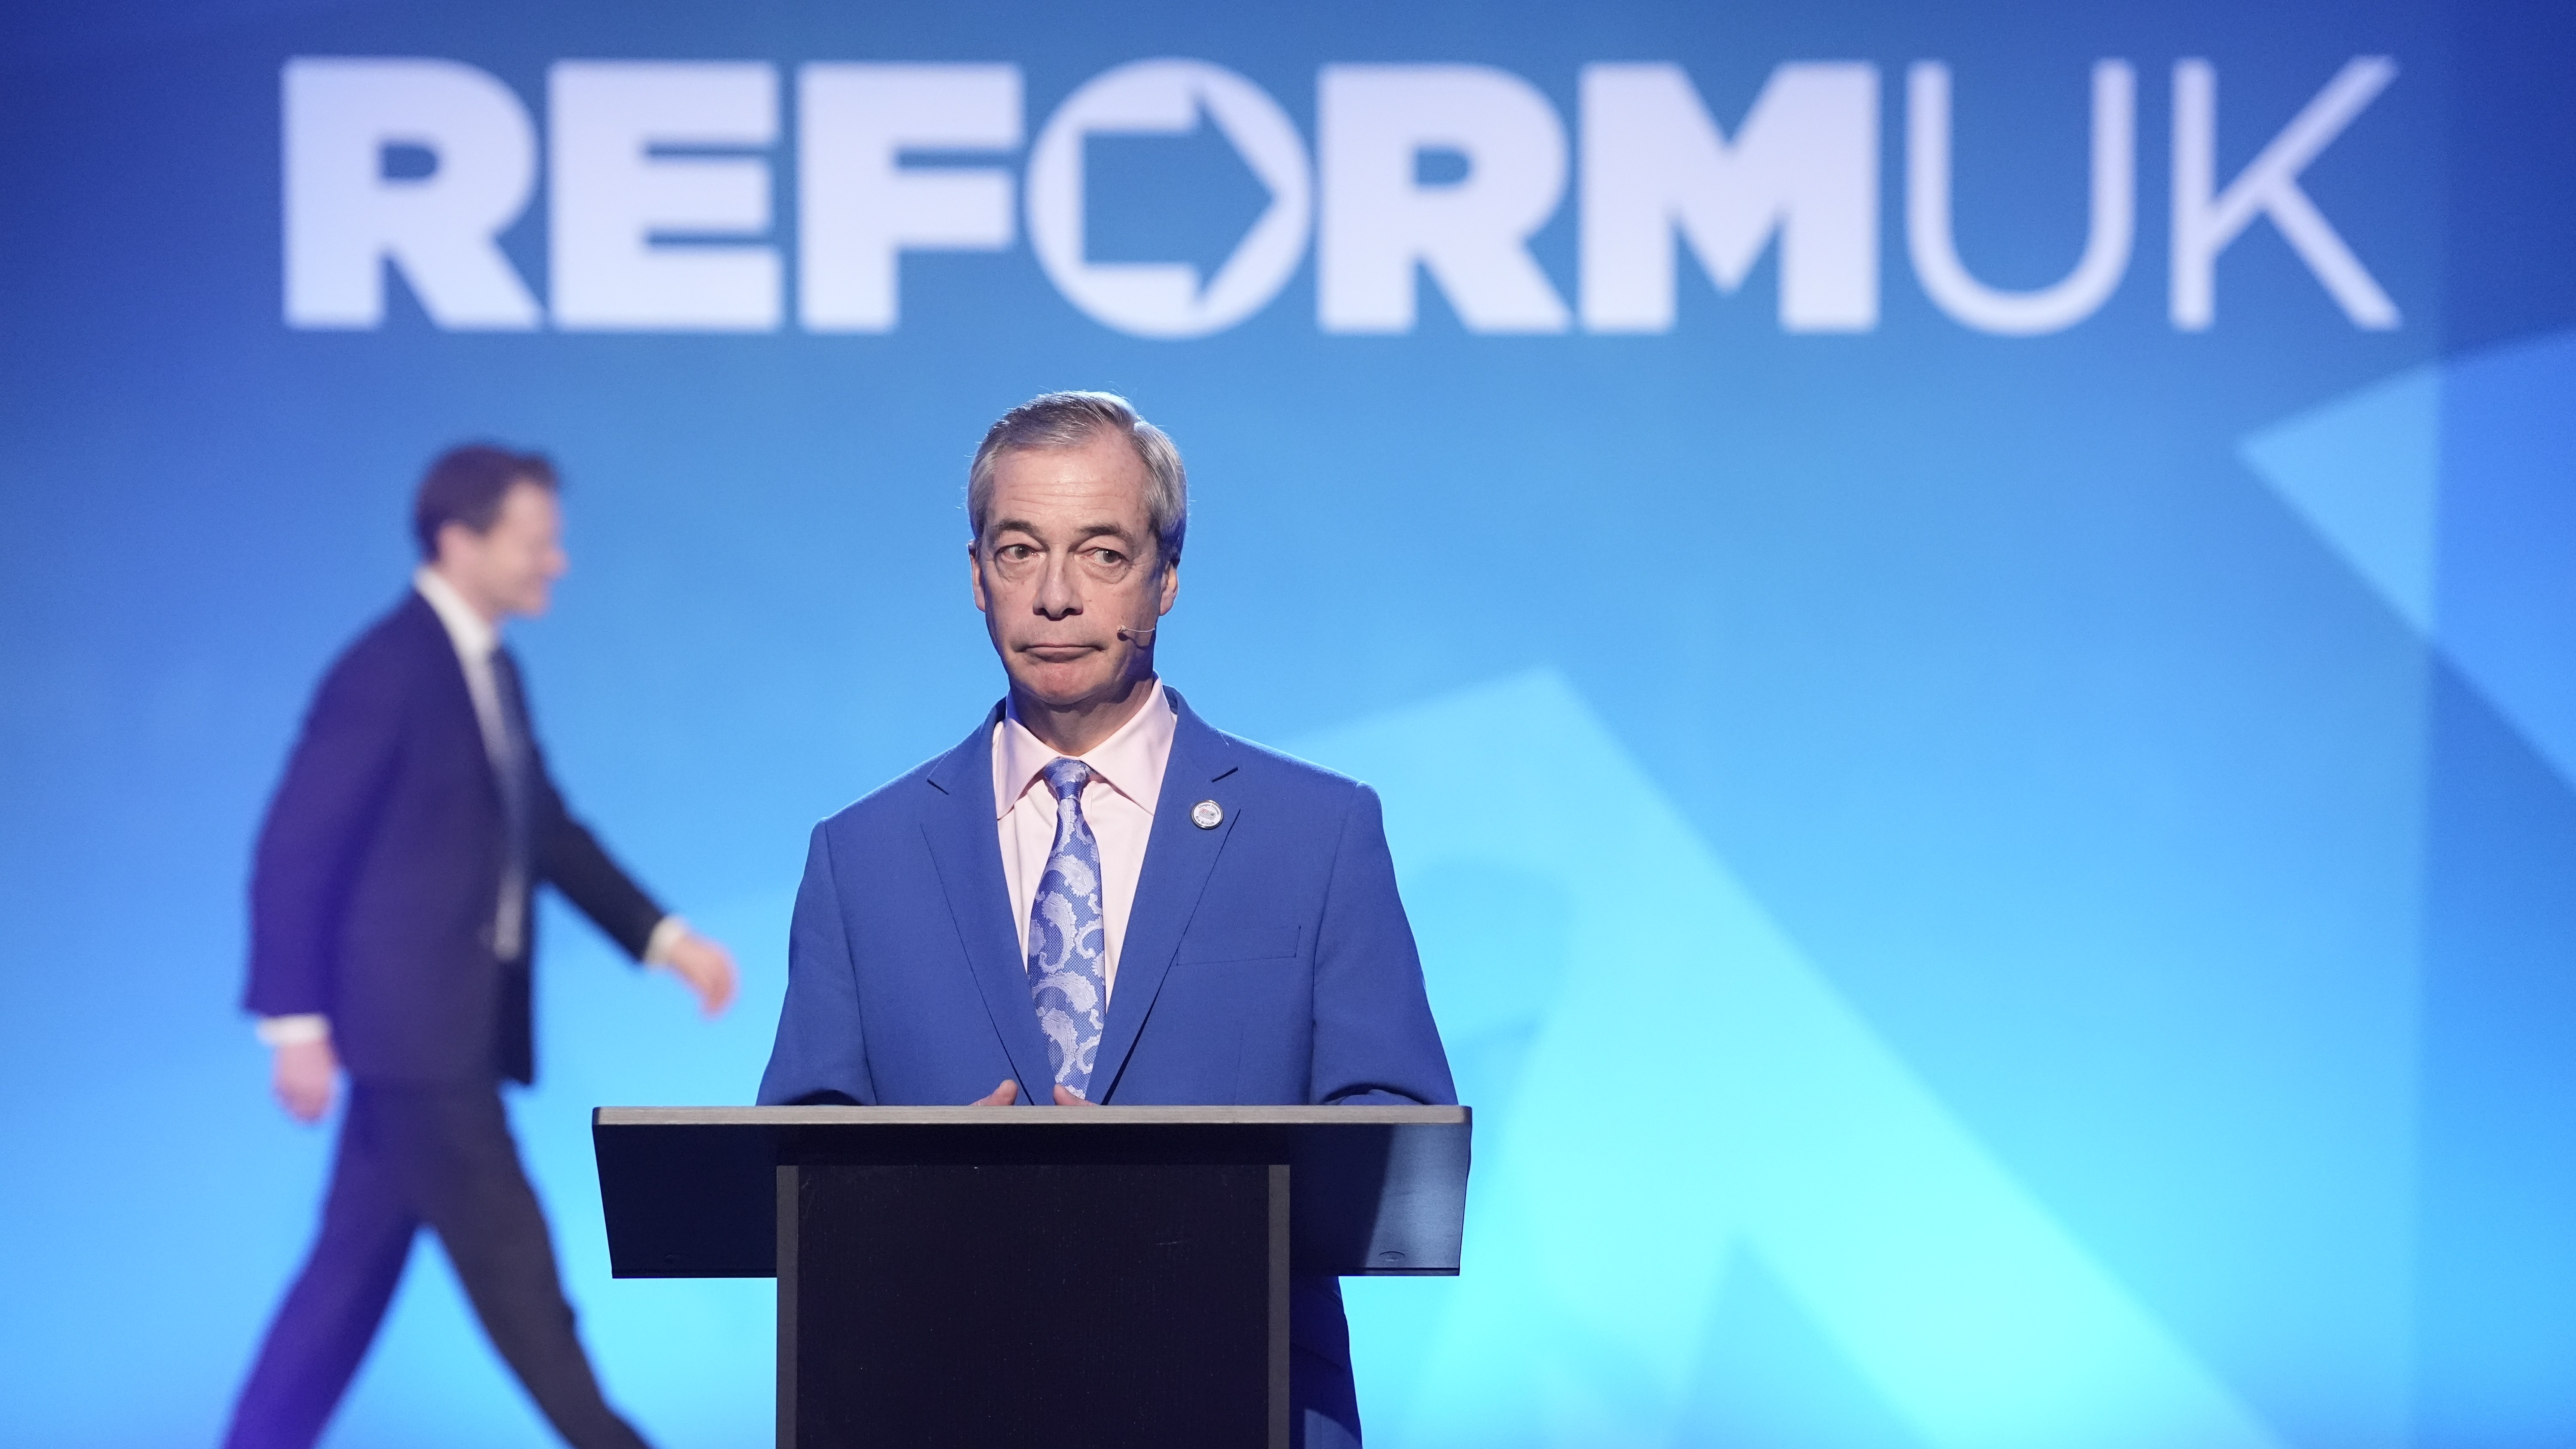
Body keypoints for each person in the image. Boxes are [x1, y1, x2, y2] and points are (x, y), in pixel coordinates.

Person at [756, 391, 1455, 1448]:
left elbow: (1395, 1146)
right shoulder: (862, 857)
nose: (1055, 596)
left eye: (1102, 554)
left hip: (1237, 1406)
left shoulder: (1317, 834)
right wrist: (918, 1184)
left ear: (1168, 576)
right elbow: (790, 1185)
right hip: (939, 1406)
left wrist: (1166, 1185)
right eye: (1020, 549)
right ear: (976, 576)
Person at [226, 444, 740, 1449]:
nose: (558, 563)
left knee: (340, 1293)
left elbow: (544, 828)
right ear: (461, 539)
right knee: (523, 1286)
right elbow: (294, 848)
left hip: (430, 1043)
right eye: (538, 542)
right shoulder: (387, 670)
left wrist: (666, 940)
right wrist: (294, 1024)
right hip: (417, 1045)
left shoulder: (487, 667)